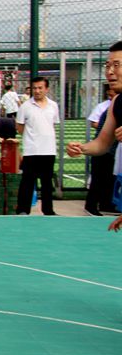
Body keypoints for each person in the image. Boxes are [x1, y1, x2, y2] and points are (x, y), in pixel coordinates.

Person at [67, 42, 122, 225]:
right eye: (108, 66)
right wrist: (81, 148)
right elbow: (102, 144)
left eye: (116, 65)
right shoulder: (117, 103)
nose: (110, 71)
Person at [15, 76, 60, 216]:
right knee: (27, 182)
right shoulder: (25, 107)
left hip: (49, 150)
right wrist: (32, 138)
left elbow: (53, 125)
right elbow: (20, 127)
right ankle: (23, 210)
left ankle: (48, 210)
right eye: (34, 88)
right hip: (31, 150)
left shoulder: (53, 106)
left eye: (40, 88)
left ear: (47, 89)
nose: (37, 91)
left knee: (47, 182)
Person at [83, 83, 117, 216]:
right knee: (98, 179)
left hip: (111, 150)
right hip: (104, 150)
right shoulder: (106, 109)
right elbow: (97, 126)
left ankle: (106, 203)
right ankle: (91, 205)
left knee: (109, 179)